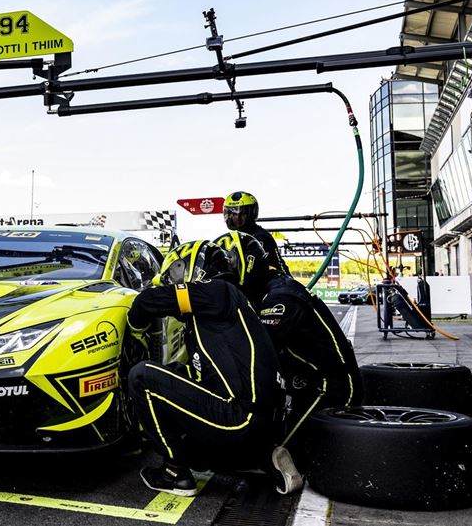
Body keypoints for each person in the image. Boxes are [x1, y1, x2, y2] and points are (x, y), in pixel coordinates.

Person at [125, 240, 297, 497]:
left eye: (175, 272)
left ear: (196, 268)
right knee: (175, 373)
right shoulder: (231, 306)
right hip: (260, 425)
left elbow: (148, 300)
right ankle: (260, 460)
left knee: (142, 377)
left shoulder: (218, 290)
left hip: (240, 420)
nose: (171, 280)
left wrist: (134, 328)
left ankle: (175, 473)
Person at [214, 231, 361, 457]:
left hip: (330, 386)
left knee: (276, 455)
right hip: (306, 383)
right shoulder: (266, 290)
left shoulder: (279, 297)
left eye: (227, 264)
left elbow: (257, 355)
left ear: (246, 262)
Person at [224, 191, 289, 275]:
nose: (236, 218)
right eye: (231, 213)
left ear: (252, 213)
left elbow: (252, 271)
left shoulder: (261, 237)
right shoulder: (230, 238)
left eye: (242, 213)